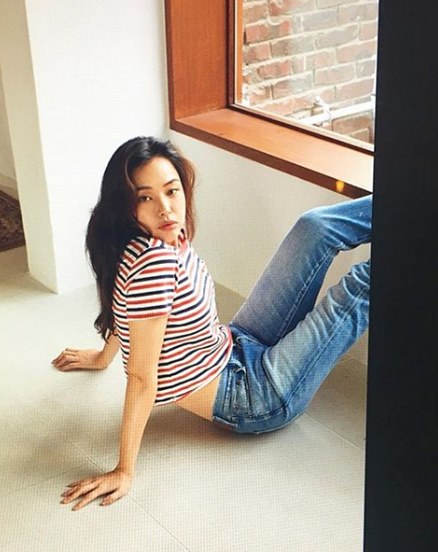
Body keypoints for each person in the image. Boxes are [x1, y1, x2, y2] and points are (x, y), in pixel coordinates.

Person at [52, 136, 372, 511]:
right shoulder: (153, 265)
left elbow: (128, 313)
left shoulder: (153, 237)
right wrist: (124, 469)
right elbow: (141, 377)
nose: (165, 208)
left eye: (171, 190)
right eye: (145, 198)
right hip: (252, 398)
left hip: (235, 344)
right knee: (362, 284)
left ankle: (411, 198)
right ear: (125, 205)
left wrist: (103, 357)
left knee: (313, 227)